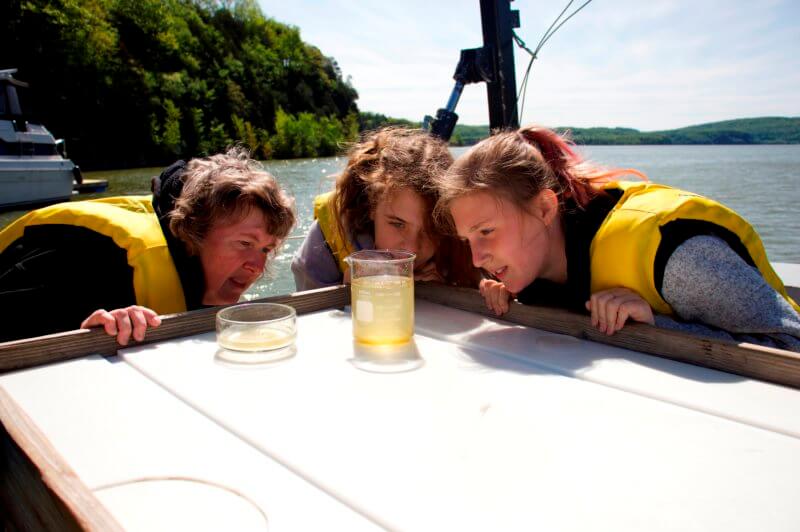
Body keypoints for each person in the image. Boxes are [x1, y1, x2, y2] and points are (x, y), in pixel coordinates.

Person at [433, 125, 800, 352]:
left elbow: (791, 345)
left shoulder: (677, 258)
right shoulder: (538, 266)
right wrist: (515, 293)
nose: (478, 258)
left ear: (546, 209)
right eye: (469, 240)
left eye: (486, 232)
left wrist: (655, 324)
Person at [0, 147, 295, 344]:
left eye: (266, 249)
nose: (256, 267)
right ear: (193, 232)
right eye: (245, 243)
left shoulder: (198, 278)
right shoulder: (87, 260)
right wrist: (90, 335)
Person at [291, 127, 477, 291]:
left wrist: (442, 291)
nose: (412, 248)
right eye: (397, 224)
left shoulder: (462, 243)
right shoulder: (324, 241)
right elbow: (310, 318)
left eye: (430, 230)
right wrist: (344, 293)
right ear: (371, 208)